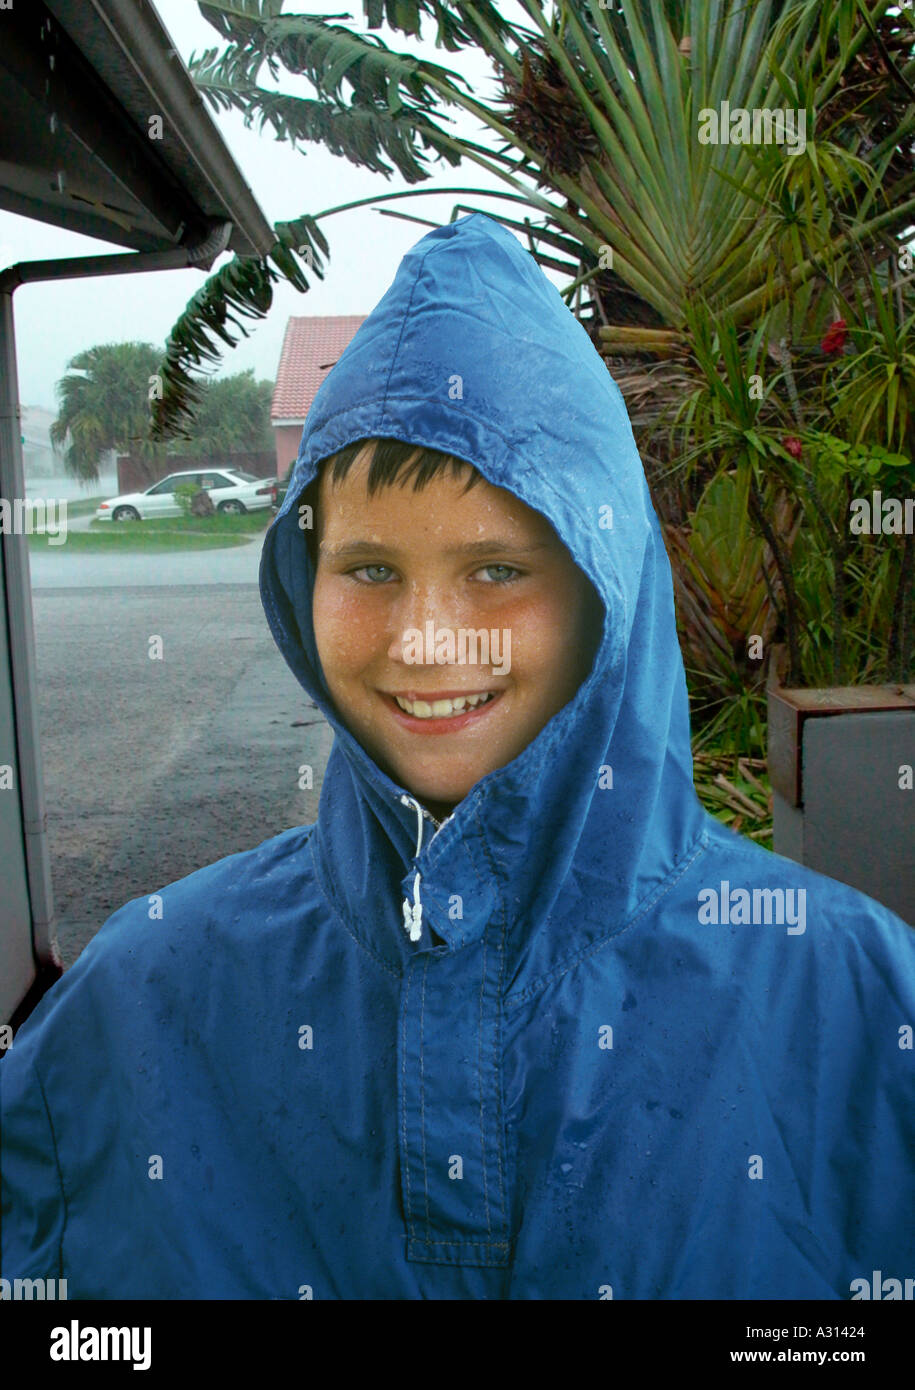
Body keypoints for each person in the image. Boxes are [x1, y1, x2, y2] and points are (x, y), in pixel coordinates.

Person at [2, 213, 913, 1300]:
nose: (427, 642)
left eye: (497, 570)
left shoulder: (857, 1012)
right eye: (372, 570)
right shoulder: (138, 1001)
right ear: (304, 584)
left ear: (602, 587)